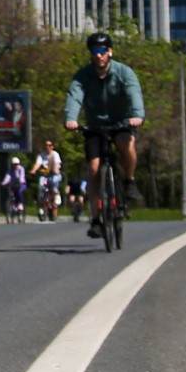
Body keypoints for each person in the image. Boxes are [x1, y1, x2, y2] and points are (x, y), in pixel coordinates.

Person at [64, 30, 146, 240]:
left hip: (121, 123)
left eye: (102, 50)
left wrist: (136, 115)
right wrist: (71, 118)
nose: (98, 55)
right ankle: (96, 219)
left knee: (127, 144)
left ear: (109, 51)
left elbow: (134, 94)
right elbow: (75, 96)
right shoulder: (83, 75)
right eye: (94, 51)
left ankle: (129, 180)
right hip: (95, 126)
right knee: (93, 169)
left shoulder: (123, 72)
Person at [31, 139, 63, 219]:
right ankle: (41, 206)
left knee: (53, 182)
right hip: (45, 175)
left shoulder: (55, 154)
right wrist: (34, 170)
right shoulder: (41, 155)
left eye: (49, 145)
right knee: (41, 186)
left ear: (52, 146)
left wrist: (55, 169)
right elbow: (38, 163)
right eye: (46, 145)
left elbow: (56, 163)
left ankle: (57, 196)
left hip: (54, 174)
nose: (47, 147)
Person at [1, 154, 27, 221]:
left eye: (17, 164)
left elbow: (22, 176)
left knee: (19, 192)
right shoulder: (10, 170)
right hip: (13, 185)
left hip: (21, 184)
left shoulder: (21, 169)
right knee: (11, 194)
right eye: (14, 164)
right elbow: (8, 177)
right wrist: (4, 183)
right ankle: (13, 207)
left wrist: (20, 181)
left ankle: (20, 204)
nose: (15, 165)